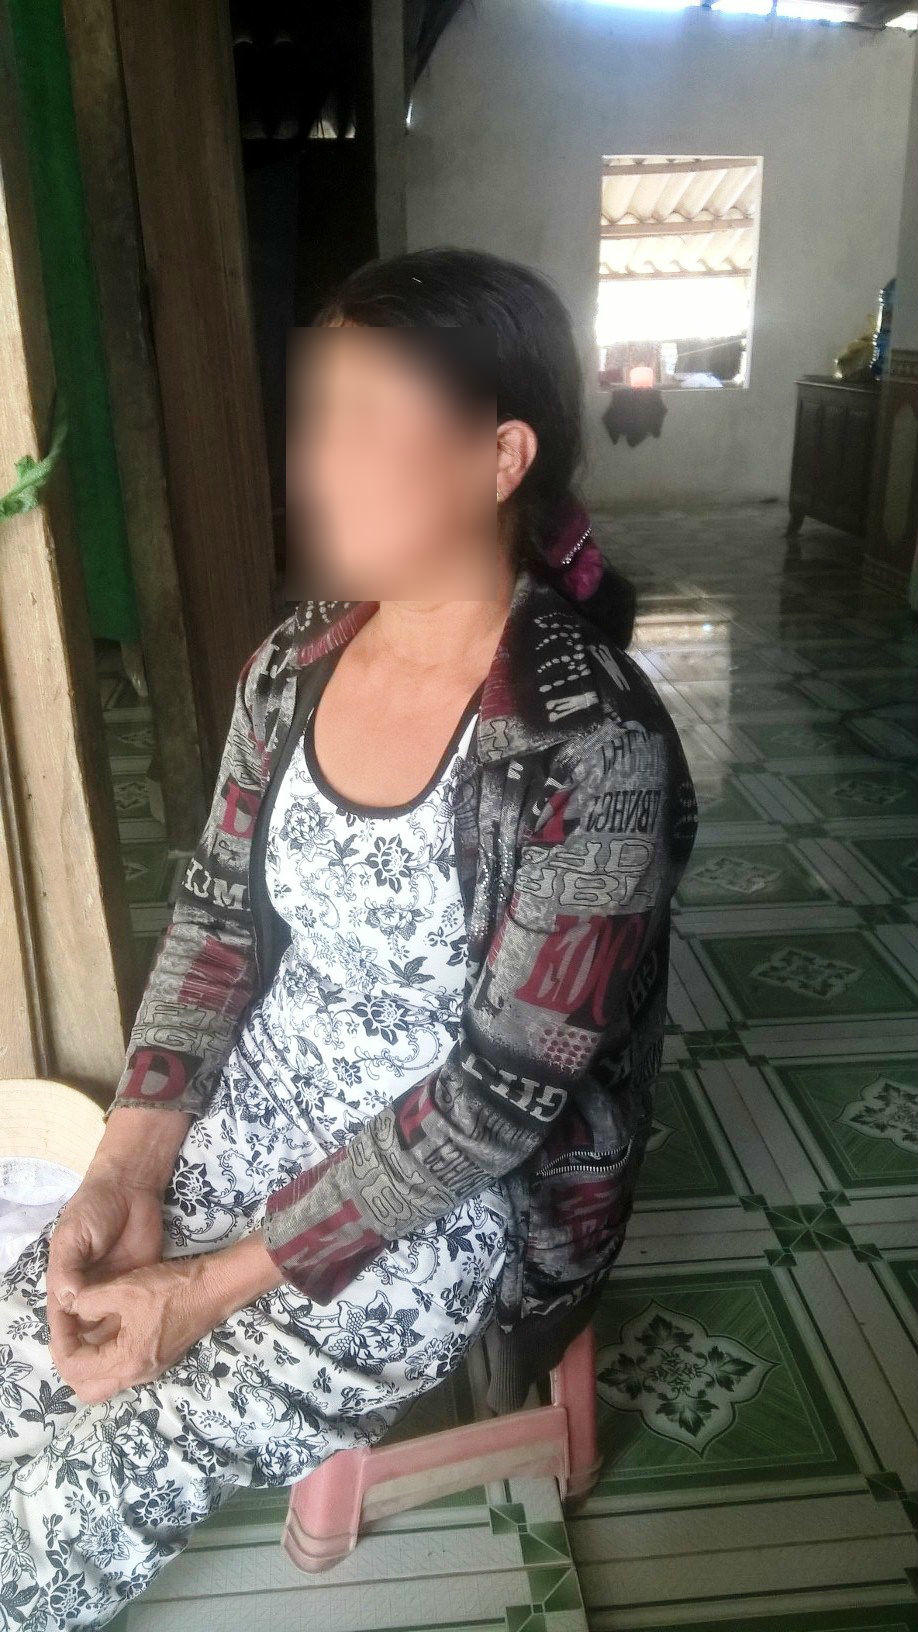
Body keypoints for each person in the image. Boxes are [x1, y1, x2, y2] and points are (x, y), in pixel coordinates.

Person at [0, 247, 696, 1628]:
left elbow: (498, 1099)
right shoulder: (296, 661)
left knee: (79, 1495)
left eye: (370, 419)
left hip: (433, 1217)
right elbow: (215, 920)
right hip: (247, 1125)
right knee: (30, 1343)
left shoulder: (589, 745)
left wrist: (206, 1290)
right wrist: (128, 1170)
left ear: (499, 457)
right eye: (316, 416)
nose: (319, 465)